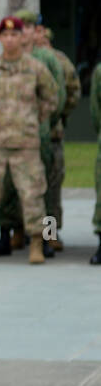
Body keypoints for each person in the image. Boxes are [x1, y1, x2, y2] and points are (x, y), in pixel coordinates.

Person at [0, 16, 57, 264]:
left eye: (15, 34)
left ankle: (36, 245)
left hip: (25, 143)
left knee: (32, 194)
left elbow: (51, 97)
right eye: (5, 35)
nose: (10, 39)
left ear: (22, 37)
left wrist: (33, 119)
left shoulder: (36, 68)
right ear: (0, 38)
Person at [0, 9, 65, 256]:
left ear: (36, 31)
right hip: (6, 136)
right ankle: (10, 234)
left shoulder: (46, 58)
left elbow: (61, 96)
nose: (21, 33)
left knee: (40, 188)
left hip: (39, 135)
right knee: (8, 188)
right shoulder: (3, 60)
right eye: (17, 28)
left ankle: (45, 238)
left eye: (27, 27)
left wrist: (40, 121)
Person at [43, 26, 81, 250]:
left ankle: (50, 233)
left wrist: (58, 117)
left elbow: (73, 93)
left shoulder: (60, 61)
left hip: (51, 135)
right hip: (24, 137)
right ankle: (22, 232)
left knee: (51, 191)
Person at [92, 61, 101, 264]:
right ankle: (51, 237)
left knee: (50, 199)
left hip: (49, 136)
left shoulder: (57, 61)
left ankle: (49, 240)